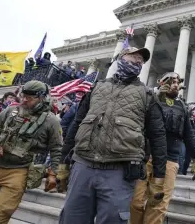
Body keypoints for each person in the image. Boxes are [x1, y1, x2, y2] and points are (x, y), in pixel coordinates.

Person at [58, 47, 167, 224]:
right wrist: (63, 162)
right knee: (72, 218)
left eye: (141, 60)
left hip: (120, 171)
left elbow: (158, 137)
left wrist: (159, 177)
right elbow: (76, 124)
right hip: (83, 165)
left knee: (113, 220)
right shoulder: (96, 88)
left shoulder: (148, 96)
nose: (137, 61)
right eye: (133, 57)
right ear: (120, 59)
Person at [0, 81, 63, 224]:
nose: (24, 99)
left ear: (41, 98)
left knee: (0, 215)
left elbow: (57, 148)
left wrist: (53, 174)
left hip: (20, 170)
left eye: (30, 97)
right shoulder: (10, 111)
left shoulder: (52, 121)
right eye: (23, 95)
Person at [130, 72, 195, 224]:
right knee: (135, 201)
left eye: (177, 82)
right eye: (171, 81)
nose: (175, 84)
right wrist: (156, 99)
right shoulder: (149, 100)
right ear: (161, 83)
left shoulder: (182, 106)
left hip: (170, 159)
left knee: (159, 205)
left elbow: (189, 134)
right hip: (146, 157)